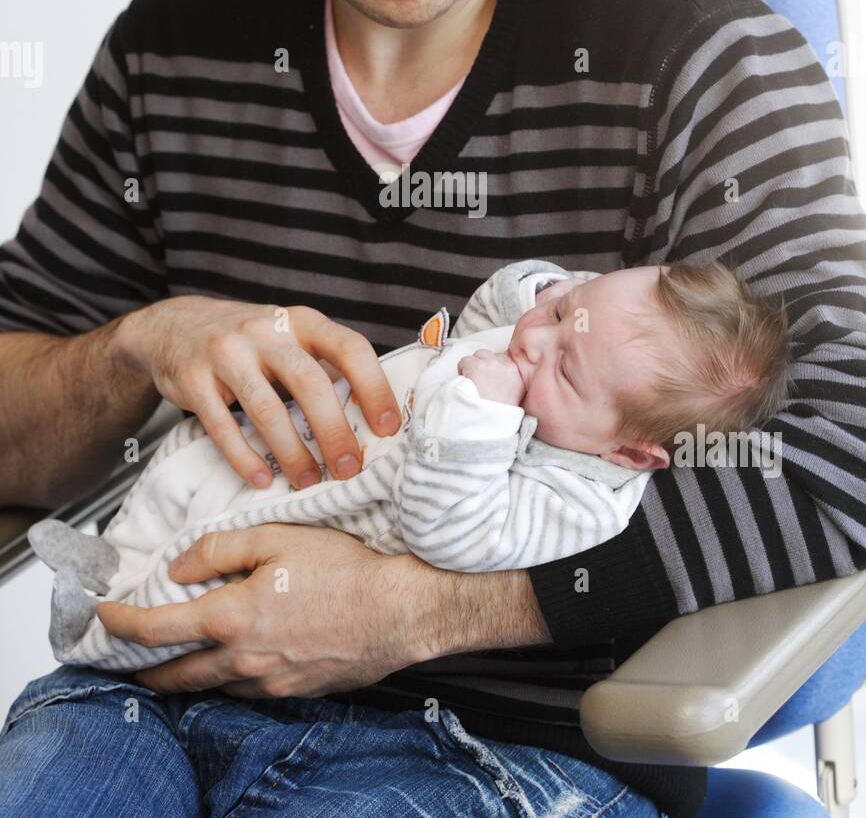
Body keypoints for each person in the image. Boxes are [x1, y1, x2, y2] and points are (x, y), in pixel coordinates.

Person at [1, 0, 865, 818]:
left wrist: (407, 607)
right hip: (139, 699)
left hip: (500, 745)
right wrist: (136, 347)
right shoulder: (175, 50)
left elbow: (845, 454)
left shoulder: (705, 54)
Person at [27, 257, 791, 672]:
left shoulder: (580, 497)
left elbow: (450, 530)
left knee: (184, 585)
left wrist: (480, 413)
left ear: (629, 451)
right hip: (293, 446)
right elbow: (490, 313)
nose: (533, 343)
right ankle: (104, 555)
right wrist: (540, 289)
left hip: (295, 531)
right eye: (563, 310)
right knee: (182, 465)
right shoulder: (535, 348)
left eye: (568, 365)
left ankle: (92, 634)